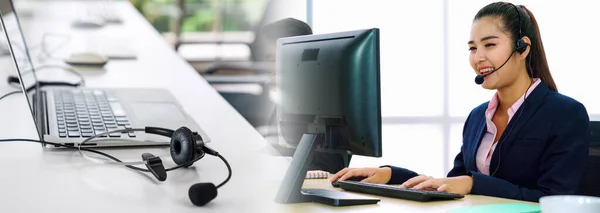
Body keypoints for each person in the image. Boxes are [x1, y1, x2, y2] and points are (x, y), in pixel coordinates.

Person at [329, 1, 591, 202]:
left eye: (489, 45)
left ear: (522, 48)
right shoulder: (478, 117)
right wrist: (391, 176)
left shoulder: (565, 114)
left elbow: (554, 200)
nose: (478, 58)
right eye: (472, 48)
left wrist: (474, 184)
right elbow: (452, 183)